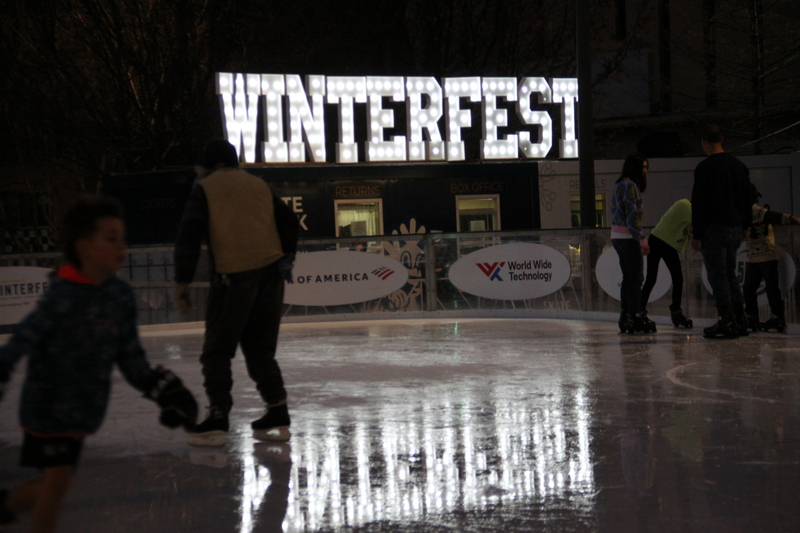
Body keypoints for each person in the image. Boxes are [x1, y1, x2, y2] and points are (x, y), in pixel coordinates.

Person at [0, 196, 197, 532]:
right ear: (85, 248)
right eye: (110, 238)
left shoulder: (119, 296)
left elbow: (130, 356)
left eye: (122, 237)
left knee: (55, 484)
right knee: (56, 484)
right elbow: (24, 339)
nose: (122, 245)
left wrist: (159, 389)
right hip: (47, 407)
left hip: (83, 411)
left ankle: (3, 507)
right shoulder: (61, 297)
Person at [174, 139, 299, 447]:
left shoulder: (205, 188)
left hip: (233, 277)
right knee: (259, 350)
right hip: (271, 276)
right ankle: (277, 411)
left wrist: (182, 281)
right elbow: (289, 222)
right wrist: (285, 259)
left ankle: (218, 416)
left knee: (217, 349)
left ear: (209, 165)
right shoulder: (258, 185)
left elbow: (189, 233)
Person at [690, 124, 753, 339]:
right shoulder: (739, 166)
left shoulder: (704, 168)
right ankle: (740, 318)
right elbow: (746, 198)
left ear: (704, 142)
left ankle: (726, 320)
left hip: (714, 229)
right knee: (730, 274)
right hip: (735, 227)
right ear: (722, 139)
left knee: (718, 276)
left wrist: (697, 234)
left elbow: (699, 203)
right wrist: (746, 225)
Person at [742, 184, 800, 333]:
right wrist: (793, 219)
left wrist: (794, 219)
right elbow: (778, 217)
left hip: (761, 256)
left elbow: (776, 217)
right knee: (770, 287)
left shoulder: (751, 212)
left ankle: (753, 317)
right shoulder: (753, 212)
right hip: (762, 255)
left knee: (752, 288)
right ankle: (776, 318)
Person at [611, 153, 656, 333]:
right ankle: (636, 316)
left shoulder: (619, 184)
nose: (645, 171)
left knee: (628, 279)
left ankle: (626, 316)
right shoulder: (630, 186)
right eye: (643, 167)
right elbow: (633, 216)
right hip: (629, 238)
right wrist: (642, 239)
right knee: (635, 279)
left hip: (617, 237)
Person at [640, 199, 693, 328]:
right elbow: (698, 223)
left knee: (653, 278)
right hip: (663, 241)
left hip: (658, 239)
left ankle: (639, 311)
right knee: (676, 278)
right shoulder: (686, 206)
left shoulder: (685, 205)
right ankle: (675, 311)